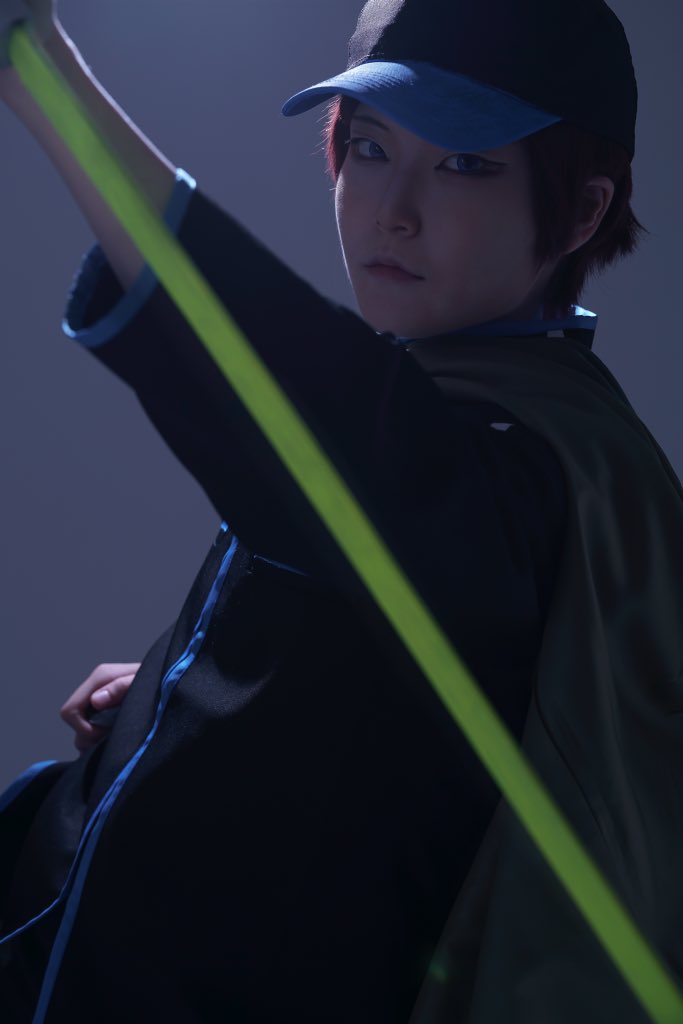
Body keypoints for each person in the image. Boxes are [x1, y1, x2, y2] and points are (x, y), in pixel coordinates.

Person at [1, 1, 681, 1022]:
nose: (390, 212)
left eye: (463, 164)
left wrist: (36, 66)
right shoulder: (493, 415)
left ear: (580, 211)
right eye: (368, 148)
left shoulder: (519, 463)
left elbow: (330, 424)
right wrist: (185, 688)